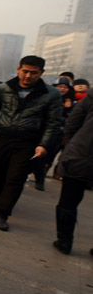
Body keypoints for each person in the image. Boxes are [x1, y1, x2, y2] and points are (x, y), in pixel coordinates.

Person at [0, 55, 63, 231]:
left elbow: (53, 123)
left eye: (33, 73)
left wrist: (43, 144)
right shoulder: (3, 88)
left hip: (27, 142)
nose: (28, 76)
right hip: (2, 139)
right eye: (25, 71)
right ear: (18, 69)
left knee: (15, 178)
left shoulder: (51, 94)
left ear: (42, 73)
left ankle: (2, 213)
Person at [52, 94, 93, 254]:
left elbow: (72, 122)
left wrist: (71, 143)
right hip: (82, 154)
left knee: (68, 201)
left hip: (81, 154)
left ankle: (64, 241)